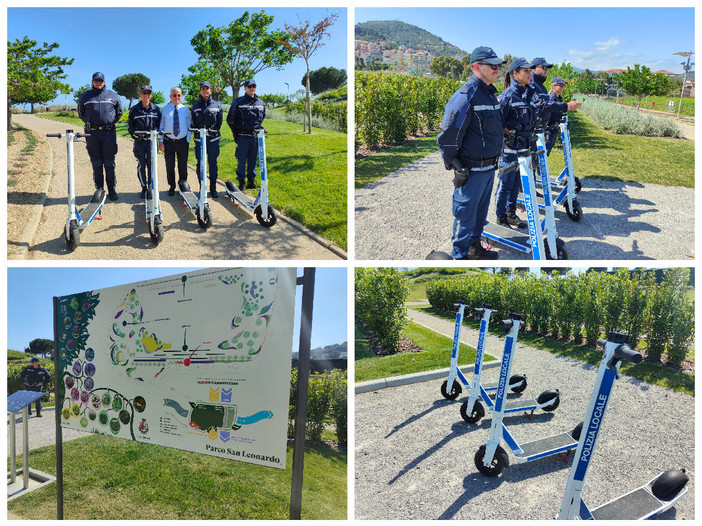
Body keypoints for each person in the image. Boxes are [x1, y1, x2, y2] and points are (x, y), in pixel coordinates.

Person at [437, 46, 506, 260]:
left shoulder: (488, 94)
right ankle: (459, 256)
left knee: (480, 214)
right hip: (472, 170)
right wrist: (455, 165)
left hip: (489, 168)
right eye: (492, 65)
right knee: (465, 214)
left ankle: (475, 248)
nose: (497, 69)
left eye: (498, 65)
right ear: (476, 67)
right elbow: (449, 136)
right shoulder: (466, 97)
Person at [494, 58, 538, 230]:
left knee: (515, 183)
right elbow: (496, 122)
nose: (530, 74)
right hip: (510, 147)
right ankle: (500, 216)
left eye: (530, 71)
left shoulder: (528, 93)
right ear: (515, 73)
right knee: (505, 183)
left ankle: (511, 212)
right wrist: (508, 133)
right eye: (526, 71)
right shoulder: (507, 96)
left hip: (524, 146)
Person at [77, 72, 123, 201]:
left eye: (100, 80)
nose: (98, 82)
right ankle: (99, 189)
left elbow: (119, 113)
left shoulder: (112, 96)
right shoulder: (85, 96)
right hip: (92, 134)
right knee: (96, 162)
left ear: (104, 82)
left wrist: (109, 122)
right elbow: (81, 113)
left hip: (108, 134)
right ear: (92, 81)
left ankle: (112, 189)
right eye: (96, 80)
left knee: (109, 163)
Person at [529, 58, 580, 154]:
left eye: (547, 68)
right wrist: (567, 106)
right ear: (534, 69)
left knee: (540, 161)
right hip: (533, 132)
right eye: (544, 68)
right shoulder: (531, 85)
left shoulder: (541, 86)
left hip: (540, 131)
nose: (546, 70)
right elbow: (541, 105)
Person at [227, 79, 266, 192]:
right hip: (243, 136)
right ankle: (241, 183)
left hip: (255, 136)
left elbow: (262, 117)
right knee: (242, 160)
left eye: (254, 86)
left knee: (253, 159)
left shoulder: (261, 102)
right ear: (245, 88)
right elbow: (230, 119)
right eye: (249, 86)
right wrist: (236, 134)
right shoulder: (239, 102)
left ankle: (251, 181)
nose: (252, 88)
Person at [128, 85, 162, 197]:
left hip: (152, 143)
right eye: (144, 93)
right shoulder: (134, 110)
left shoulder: (156, 109)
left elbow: (159, 125)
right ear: (140, 94)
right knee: (142, 165)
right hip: (140, 143)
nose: (146, 95)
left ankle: (151, 187)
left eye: (148, 93)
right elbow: (130, 127)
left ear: (150, 95)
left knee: (152, 165)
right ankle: (143, 187)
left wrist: (156, 135)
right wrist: (136, 137)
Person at [191, 81, 223, 198]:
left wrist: (212, 129)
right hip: (200, 140)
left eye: (207, 88)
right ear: (200, 91)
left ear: (210, 90)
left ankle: (213, 187)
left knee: (213, 163)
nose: (205, 91)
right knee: (200, 164)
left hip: (213, 140)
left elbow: (219, 122)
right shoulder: (195, 106)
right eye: (203, 88)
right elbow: (194, 122)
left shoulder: (217, 105)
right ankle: (202, 187)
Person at [159, 87, 191, 196]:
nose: (177, 97)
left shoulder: (185, 109)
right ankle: (171, 186)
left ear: (181, 96)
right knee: (169, 165)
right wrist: (160, 141)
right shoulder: (165, 109)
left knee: (183, 165)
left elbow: (189, 125)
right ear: (170, 96)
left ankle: (182, 185)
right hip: (169, 142)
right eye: (174, 95)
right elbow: (161, 126)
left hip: (182, 142)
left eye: (179, 95)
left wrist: (187, 139)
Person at [545, 76, 568, 154]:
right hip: (549, 129)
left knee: (547, 152)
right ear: (553, 86)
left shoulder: (558, 98)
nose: (562, 87)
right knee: (545, 153)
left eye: (563, 85)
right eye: (560, 85)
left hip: (554, 129)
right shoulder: (551, 99)